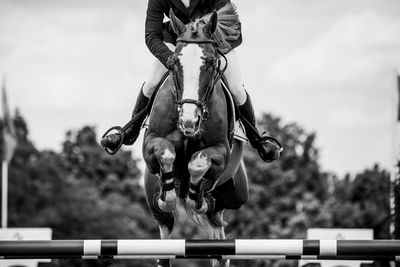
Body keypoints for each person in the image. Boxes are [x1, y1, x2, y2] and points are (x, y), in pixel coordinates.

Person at [102, 0, 281, 162]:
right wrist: (171, 59)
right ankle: (129, 131)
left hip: (212, 41)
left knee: (236, 88)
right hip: (177, 42)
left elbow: (226, 16)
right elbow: (152, 36)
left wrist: (203, 44)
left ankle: (258, 140)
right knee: (151, 83)